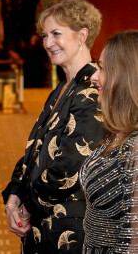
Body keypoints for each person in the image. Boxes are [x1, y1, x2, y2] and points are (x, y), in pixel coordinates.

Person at [2, 0, 106, 253]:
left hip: (69, 228)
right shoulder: (61, 90)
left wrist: (25, 206)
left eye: (57, 34)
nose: (48, 43)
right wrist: (13, 197)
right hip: (43, 226)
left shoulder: (93, 90)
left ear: (82, 35)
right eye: (45, 35)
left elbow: (68, 167)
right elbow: (35, 151)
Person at [80, 30, 138, 253]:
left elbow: (133, 241)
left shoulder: (135, 147)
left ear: (125, 75)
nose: (94, 76)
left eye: (102, 68)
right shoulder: (118, 133)